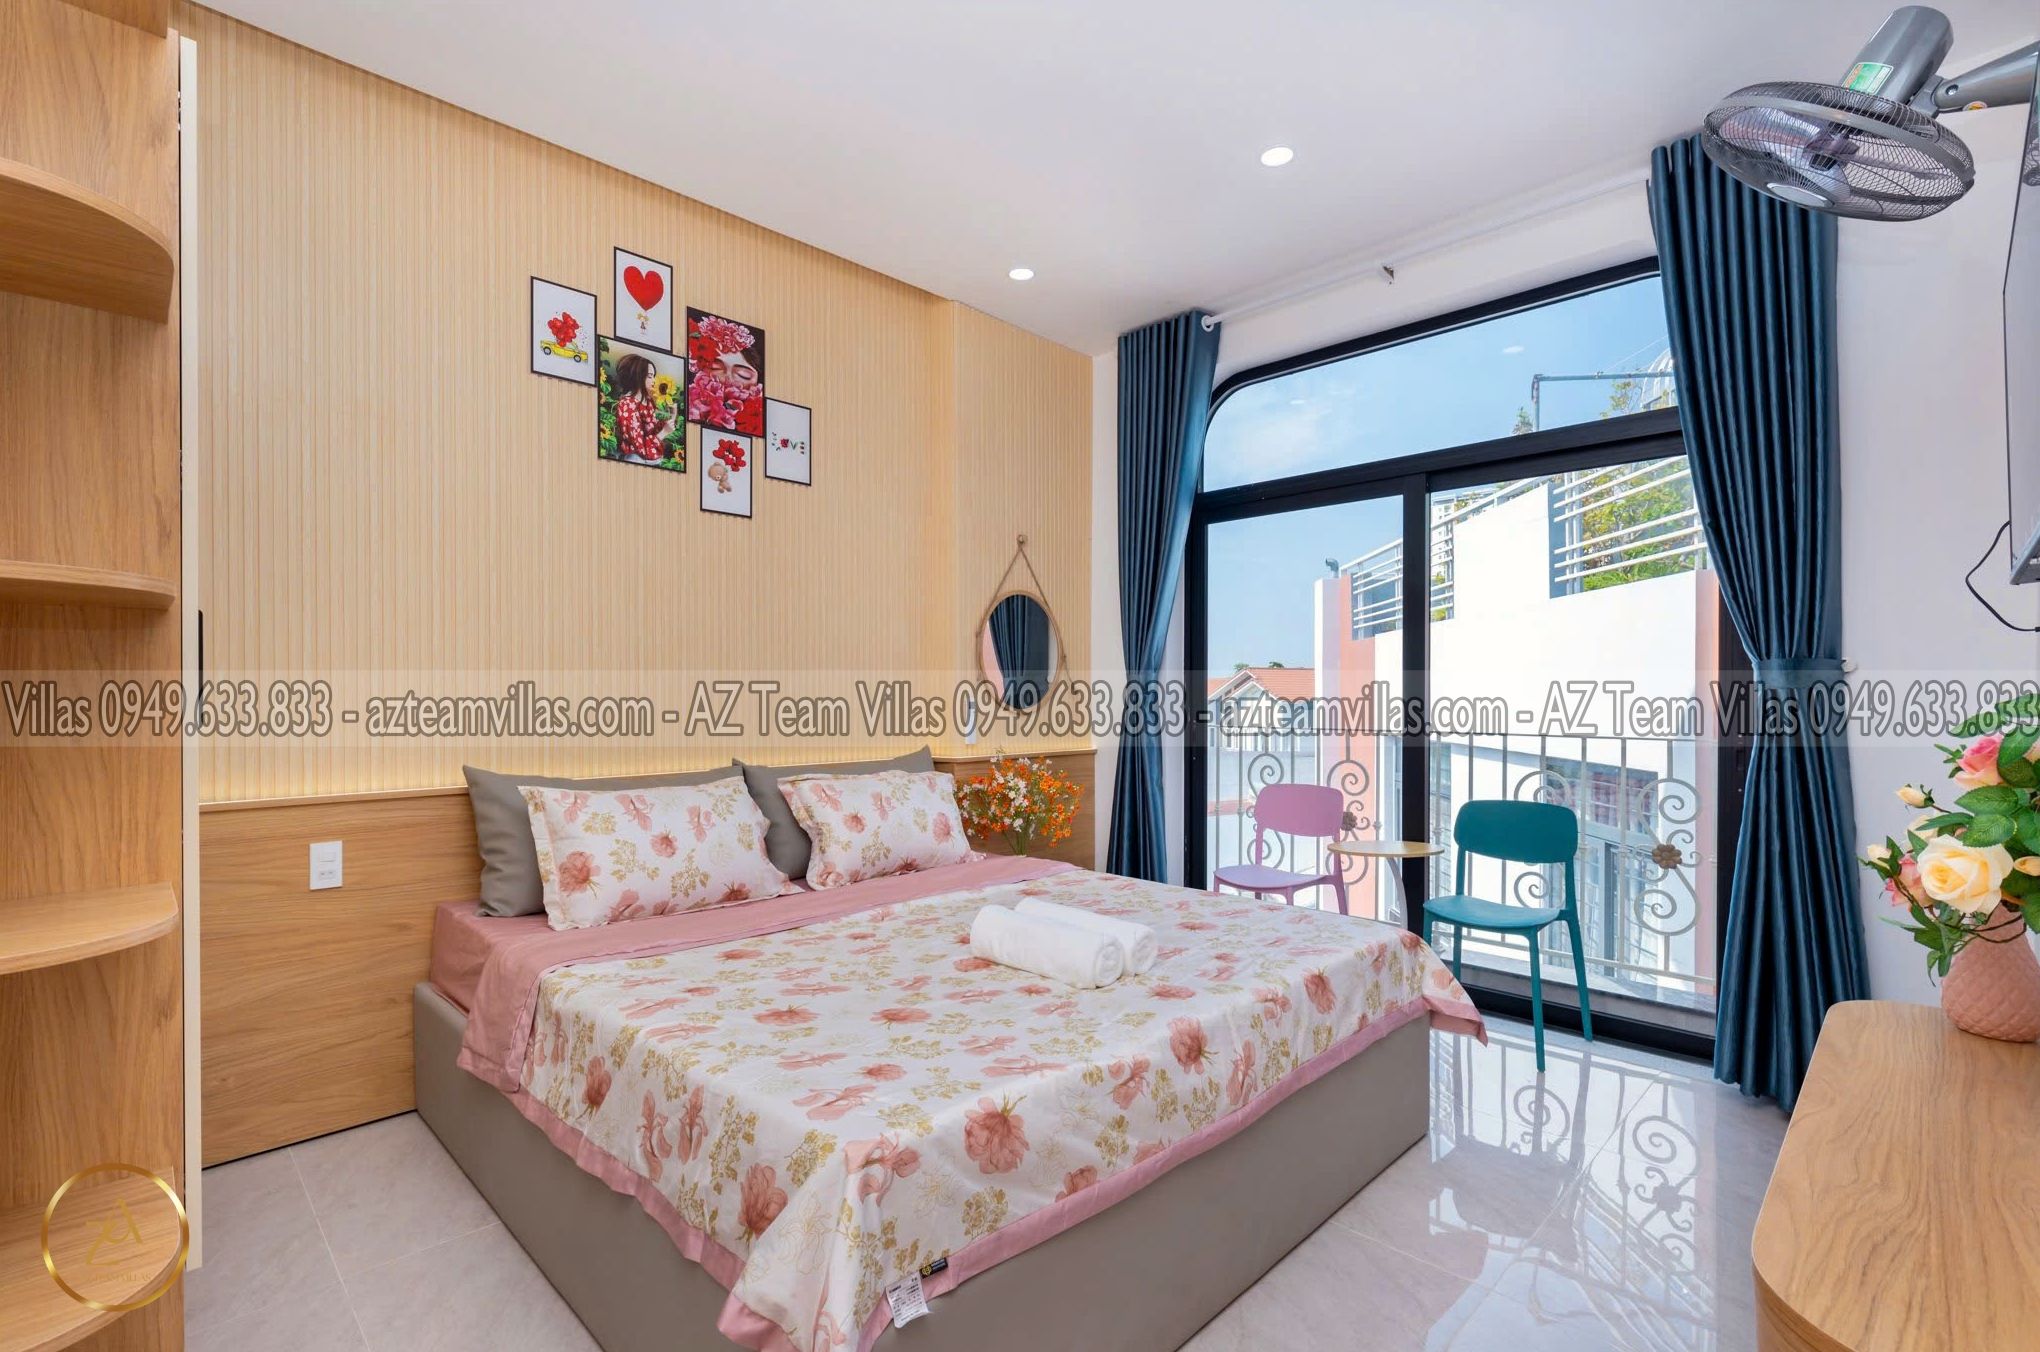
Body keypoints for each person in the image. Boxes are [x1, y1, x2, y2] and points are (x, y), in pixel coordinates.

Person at [613, 352, 674, 461]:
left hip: (651, 455)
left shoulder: (648, 401)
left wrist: (670, 419)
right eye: (650, 376)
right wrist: (664, 432)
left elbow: (652, 429)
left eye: (654, 376)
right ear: (637, 376)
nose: (654, 381)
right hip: (636, 458)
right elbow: (639, 446)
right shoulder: (627, 405)